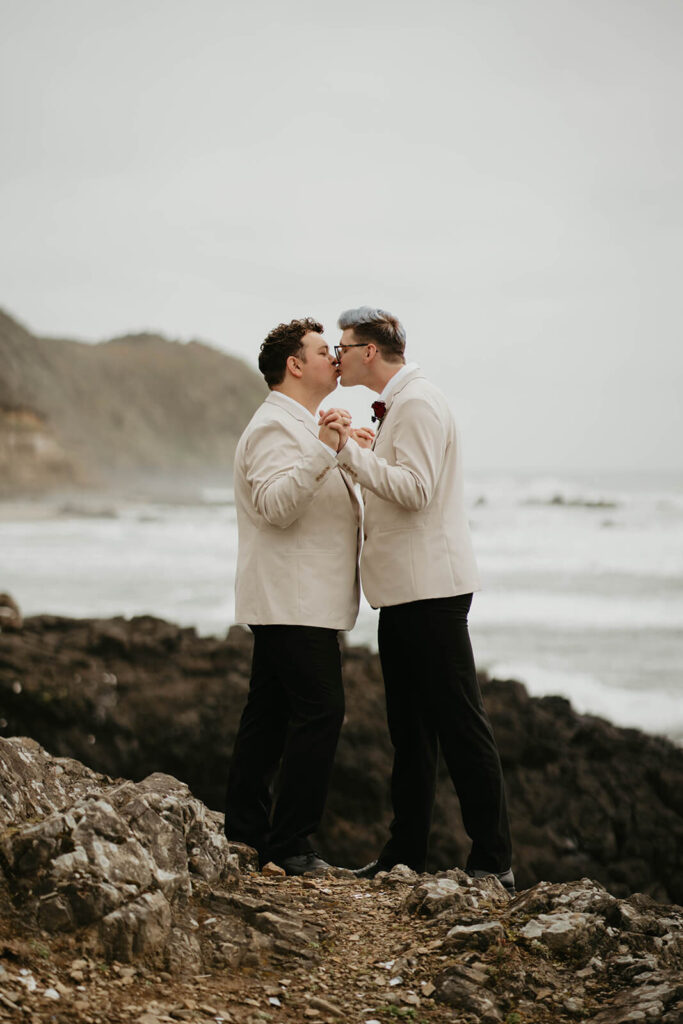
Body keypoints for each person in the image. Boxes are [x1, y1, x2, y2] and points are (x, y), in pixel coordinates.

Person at [322, 306, 514, 894]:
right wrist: (359, 452)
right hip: (404, 591)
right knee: (409, 732)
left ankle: (494, 861)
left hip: (431, 590)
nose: (337, 355)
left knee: (460, 724)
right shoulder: (399, 407)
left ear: (370, 352)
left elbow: (417, 491)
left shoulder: (420, 403)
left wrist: (349, 454)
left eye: (344, 346)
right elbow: (393, 484)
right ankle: (403, 855)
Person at [225, 317, 361, 875]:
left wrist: (347, 451)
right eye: (324, 350)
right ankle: (292, 845)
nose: (335, 358)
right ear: (295, 365)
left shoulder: (300, 425)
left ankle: (248, 836)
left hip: (299, 599)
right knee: (321, 710)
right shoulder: (271, 428)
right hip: (292, 601)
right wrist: (327, 448)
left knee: (269, 715)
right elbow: (277, 506)